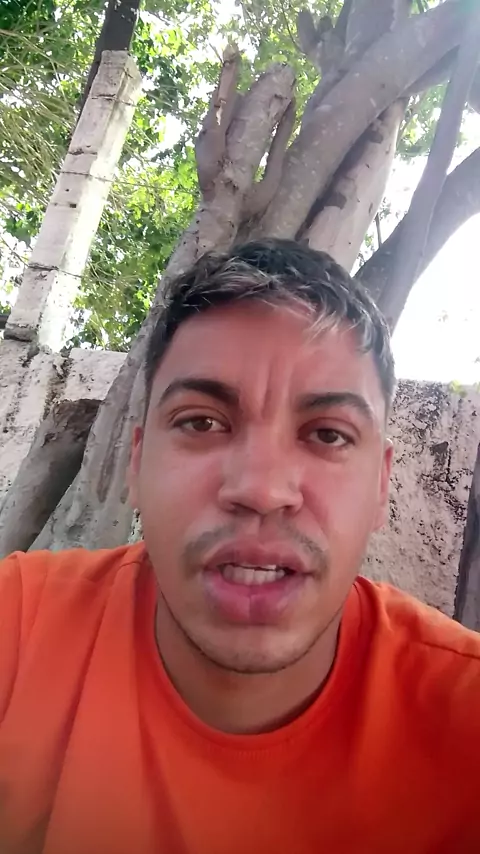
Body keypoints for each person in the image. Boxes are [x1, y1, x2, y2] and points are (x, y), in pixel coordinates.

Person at [0, 239, 479, 854]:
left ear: (382, 485)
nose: (261, 490)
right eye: (201, 422)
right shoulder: (20, 629)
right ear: (137, 462)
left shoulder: (463, 718)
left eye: (328, 435)